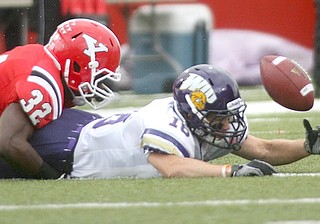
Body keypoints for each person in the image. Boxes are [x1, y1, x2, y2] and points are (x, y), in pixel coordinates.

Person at [1, 64, 319, 179]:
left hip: (85, 129)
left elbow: (262, 148)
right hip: (67, 148)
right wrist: (231, 171)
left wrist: (308, 146)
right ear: (194, 110)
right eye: (218, 118)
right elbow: (172, 167)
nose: (226, 127)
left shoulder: (208, 125)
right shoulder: (166, 119)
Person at [0, 17, 121, 179]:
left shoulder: (38, 54)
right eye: (98, 74)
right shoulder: (44, 83)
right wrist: (53, 177)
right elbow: (8, 141)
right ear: (76, 66)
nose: (97, 83)